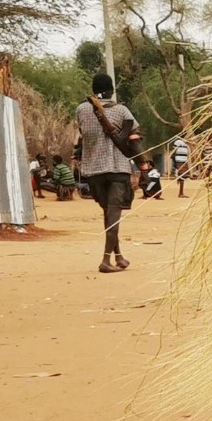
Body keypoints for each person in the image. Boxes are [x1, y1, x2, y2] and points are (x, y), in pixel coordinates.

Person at [75, 72, 141, 273]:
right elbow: (134, 136)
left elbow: (82, 132)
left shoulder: (81, 109)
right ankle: (105, 260)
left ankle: (119, 256)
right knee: (114, 214)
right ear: (111, 90)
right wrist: (143, 165)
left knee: (109, 213)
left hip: (93, 170)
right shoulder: (122, 111)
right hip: (117, 168)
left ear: (93, 90)